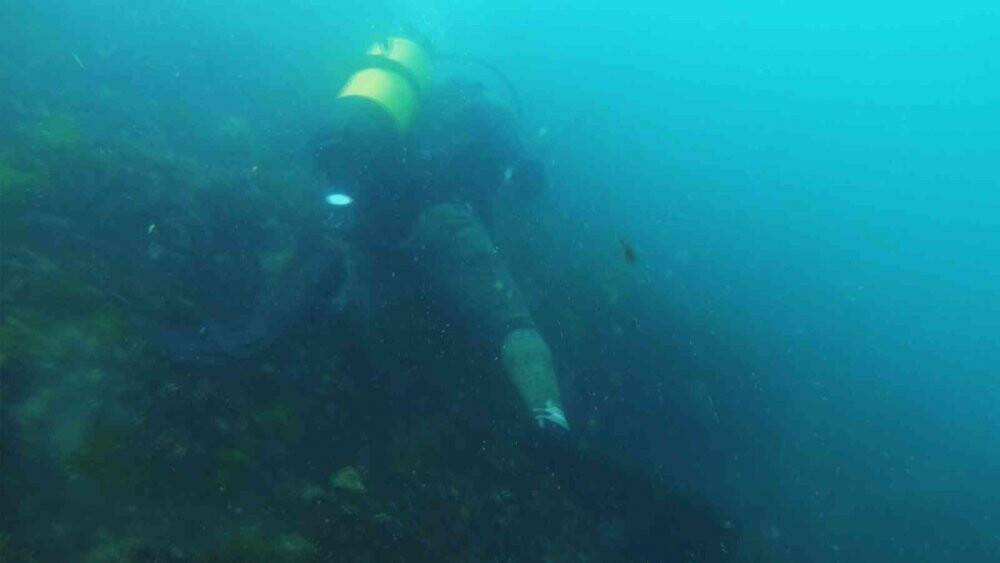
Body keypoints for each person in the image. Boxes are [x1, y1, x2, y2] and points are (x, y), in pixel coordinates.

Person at [313, 37, 570, 434]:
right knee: (511, 321)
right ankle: (549, 415)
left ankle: (367, 405)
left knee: (374, 309)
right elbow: (528, 177)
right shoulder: (492, 111)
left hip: (379, 216)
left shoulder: (418, 104)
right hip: (444, 218)